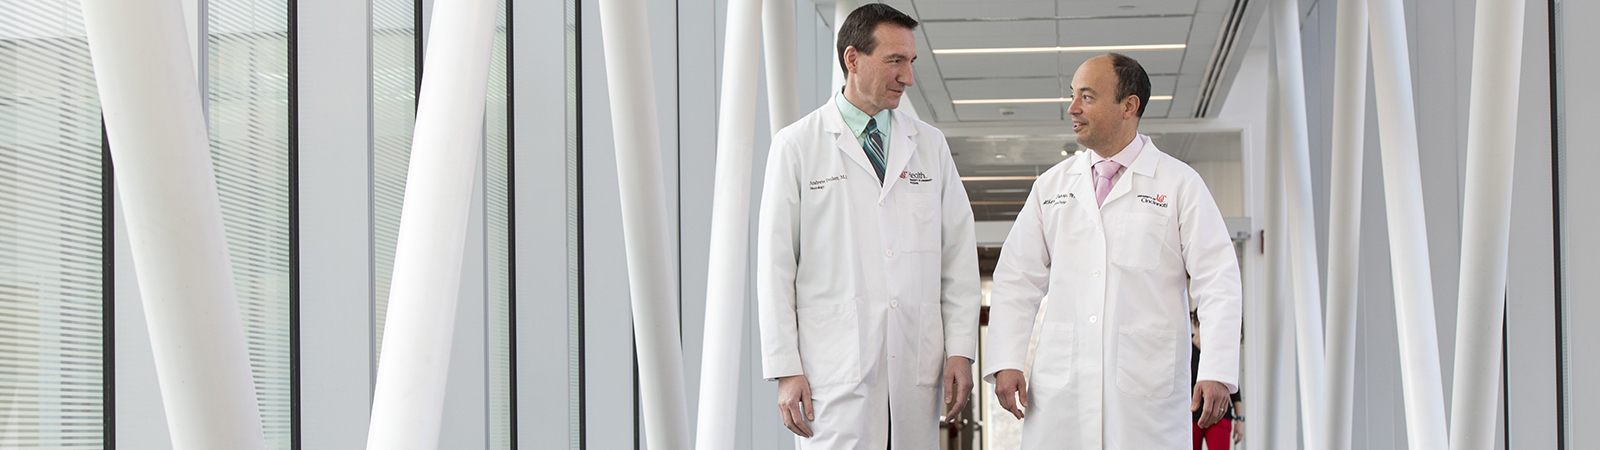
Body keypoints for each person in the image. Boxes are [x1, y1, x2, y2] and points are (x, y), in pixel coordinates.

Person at [982, 53, 1243, 450]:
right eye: (1073, 96)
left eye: (1086, 97)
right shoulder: (1051, 187)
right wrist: (1006, 359)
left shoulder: (1179, 184)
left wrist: (1217, 369)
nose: (1072, 108)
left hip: (1145, 398)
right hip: (1061, 395)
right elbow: (1017, 280)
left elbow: (1218, 280)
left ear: (1129, 106)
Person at [755, 3, 981, 449]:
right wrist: (786, 368)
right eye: (895, 61)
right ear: (852, 59)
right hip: (833, 367)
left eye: (910, 62)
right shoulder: (797, 146)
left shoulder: (929, 145)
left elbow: (957, 255)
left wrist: (960, 349)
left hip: (915, 364)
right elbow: (776, 265)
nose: (908, 77)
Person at [1191, 310, 1243, 450]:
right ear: (1198, 324)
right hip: (1190, 418)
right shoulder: (1186, 349)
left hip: (1219, 415)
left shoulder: (1217, 352)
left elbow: (1234, 386)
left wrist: (1240, 419)